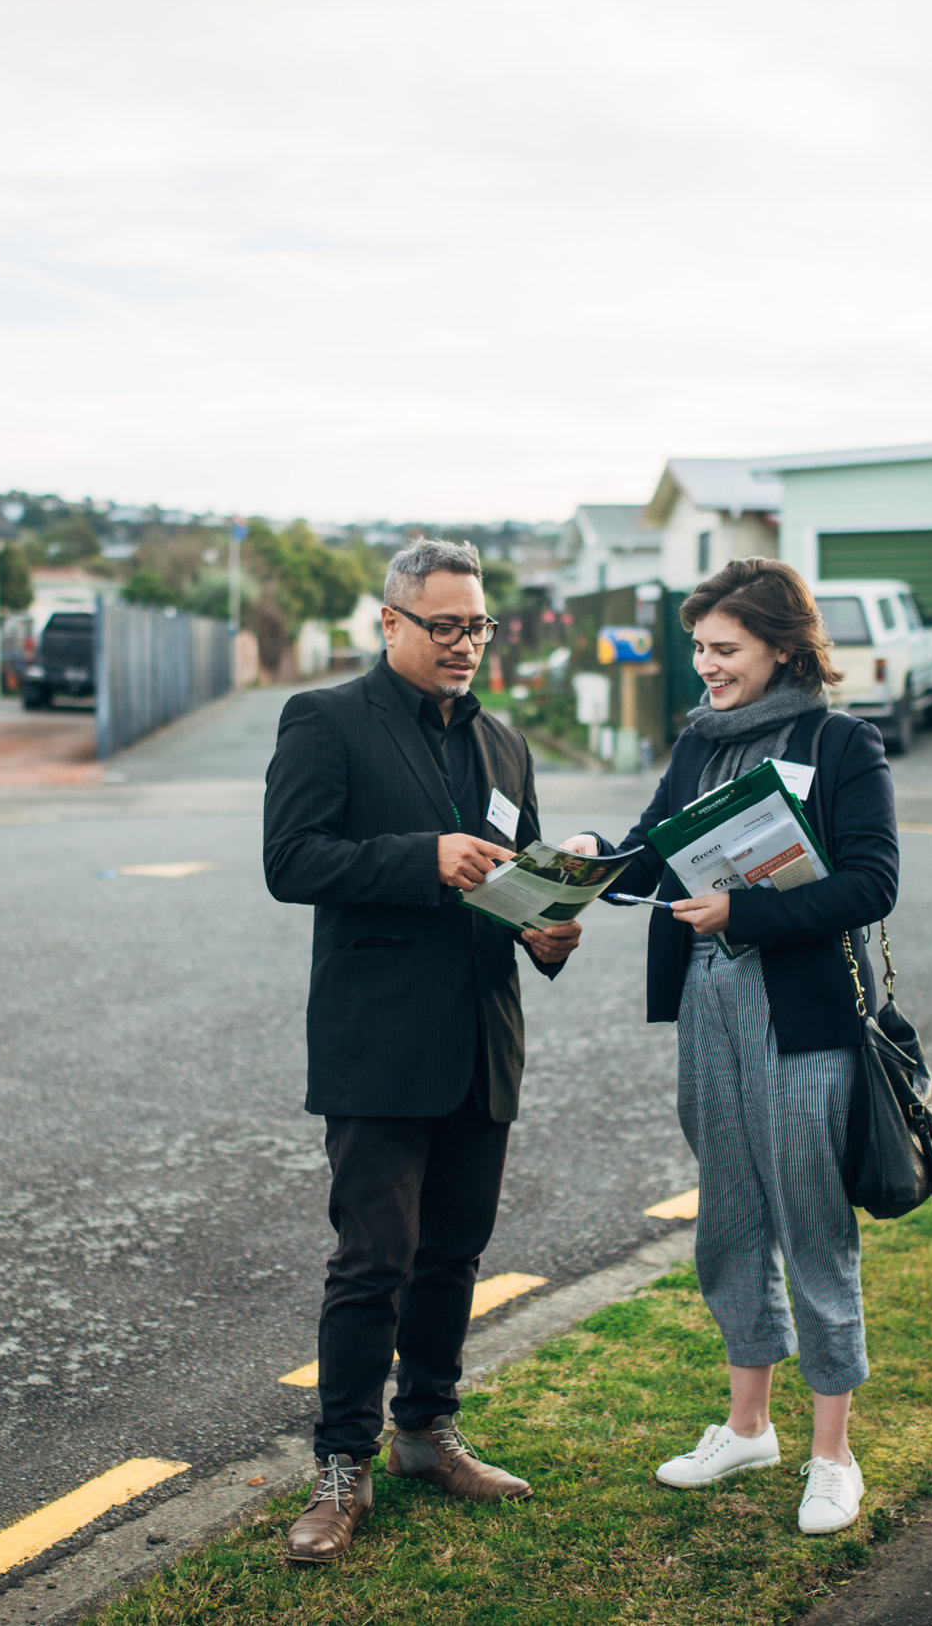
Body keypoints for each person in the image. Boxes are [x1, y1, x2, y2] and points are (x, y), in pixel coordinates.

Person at [261, 537, 583, 1564]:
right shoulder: (324, 721)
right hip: (379, 1044)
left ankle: (426, 1433)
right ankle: (340, 1466)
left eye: (477, 626)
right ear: (390, 622)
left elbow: (517, 881)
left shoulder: (505, 743)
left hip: (483, 1041)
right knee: (373, 1263)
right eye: (444, 625)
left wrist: (545, 932)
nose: (465, 644)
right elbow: (289, 861)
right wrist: (423, 858)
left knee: (453, 1256)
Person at [562, 557, 898, 1537]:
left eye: (724, 649)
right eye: (699, 649)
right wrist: (593, 858)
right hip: (706, 999)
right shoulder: (698, 743)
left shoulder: (840, 742)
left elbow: (872, 883)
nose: (705, 665)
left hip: (803, 1013)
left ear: (783, 649)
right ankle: (748, 1428)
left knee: (811, 1222)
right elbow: (648, 857)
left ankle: (833, 1457)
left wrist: (743, 911)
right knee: (730, 1218)